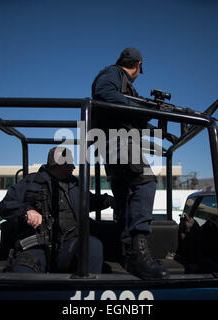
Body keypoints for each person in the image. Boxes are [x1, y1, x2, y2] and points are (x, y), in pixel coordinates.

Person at [91, 47, 169, 279]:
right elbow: (103, 92)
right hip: (117, 140)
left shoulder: (124, 85)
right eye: (139, 70)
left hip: (114, 140)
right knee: (145, 181)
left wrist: (160, 131)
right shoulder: (113, 74)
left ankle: (129, 253)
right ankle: (139, 253)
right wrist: (144, 110)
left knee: (125, 194)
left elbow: (128, 116)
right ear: (138, 65)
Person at [0, 147, 115, 274]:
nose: (73, 167)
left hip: (67, 246)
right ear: (60, 164)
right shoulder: (30, 182)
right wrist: (27, 210)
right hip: (37, 247)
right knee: (23, 272)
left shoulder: (75, 186)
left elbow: (91, 201)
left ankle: (88, 292)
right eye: (70, 163)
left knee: (92, 246)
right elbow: (4, 206)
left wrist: (111, 200)